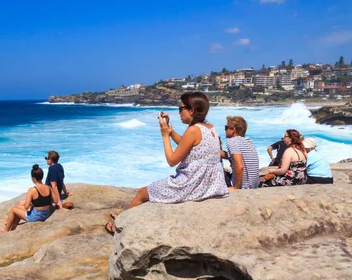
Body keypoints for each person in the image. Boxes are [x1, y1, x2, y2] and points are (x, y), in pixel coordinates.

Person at [106, 92, 228, 233]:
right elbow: (187, 144)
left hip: (190, 184)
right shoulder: (210, 128)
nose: (179, 112)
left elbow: (172, 161)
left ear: (191, 110)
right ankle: (126, 216)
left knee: (142, 193)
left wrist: (164, 136)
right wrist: (170, 130)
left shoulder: (193, 130)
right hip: (210, 184)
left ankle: (119, 226)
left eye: (181, 108)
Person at [1, 164, 57, 232]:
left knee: (13, 209)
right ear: (42, 176)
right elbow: (55, 200)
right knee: (18, 208)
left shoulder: (32, 190)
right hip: (46, 213)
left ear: (33, 178)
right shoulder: (49, 188)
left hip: (36, 217)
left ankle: (6, 230)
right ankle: (13, 229)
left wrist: (31, 203)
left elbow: (26, 207)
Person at [221, 116, 260, 189]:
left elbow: (239, 165)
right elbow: (237, 156)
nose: (225, 130)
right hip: (254, 184)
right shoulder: (248, 141)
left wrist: (235, 187)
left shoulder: (232, 141)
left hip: (243, 186)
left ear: (233, 129)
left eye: (226, 127)